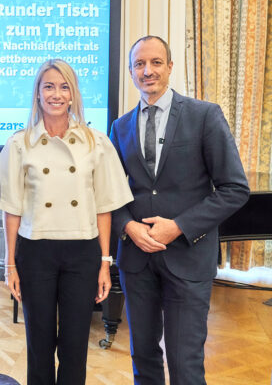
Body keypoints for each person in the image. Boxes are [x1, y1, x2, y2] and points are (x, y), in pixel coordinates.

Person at [109, 35, 249, 384]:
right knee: (143, 358)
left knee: (186, 364)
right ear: (131, 71)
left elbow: (235, 189)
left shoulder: (204, 116)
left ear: (170, 67)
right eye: (139, 64)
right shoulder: (120, 127)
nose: (148, 70)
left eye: (156, 62)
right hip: (137, 262)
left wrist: (180, 226)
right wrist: (128, 226)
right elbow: (109, 195)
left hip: (189, 257)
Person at [0, 59, 133, 385]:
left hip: (82, 253)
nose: (56, 94)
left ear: (73, 94)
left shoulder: (95, 143)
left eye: (63, 87)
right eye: (49, 86)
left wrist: (104, 262)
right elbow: (12, 209)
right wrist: (10, 264)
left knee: (75, 346)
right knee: (38, 343)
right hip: (35, 253)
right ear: (38, 94)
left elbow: (104, 208)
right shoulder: (20, 144)